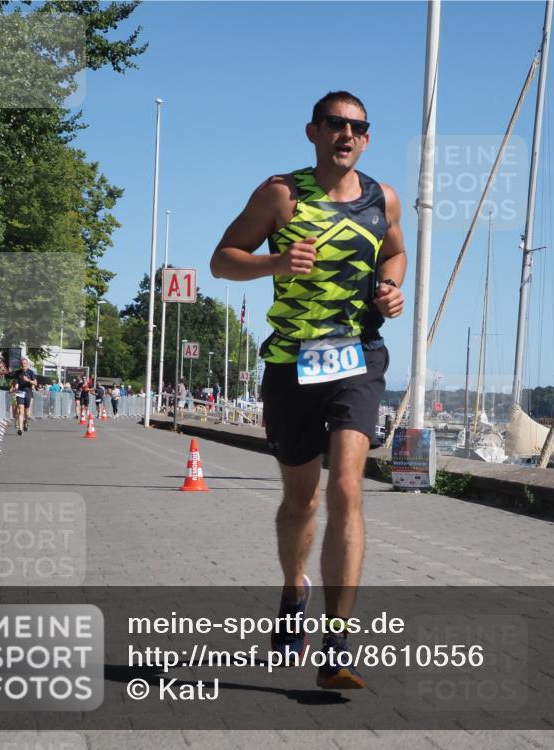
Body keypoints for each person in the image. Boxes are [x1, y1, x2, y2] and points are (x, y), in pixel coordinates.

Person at [210, 91, 406, 690]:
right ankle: (294, 592)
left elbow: (394, 253)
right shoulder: (282, 195)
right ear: (313, 132)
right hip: (293, 364)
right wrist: (274, 264)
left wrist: (391, 290)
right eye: (335, 124)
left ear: (366, 139)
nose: (346, 134)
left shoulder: (384, 199)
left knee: (348, 487)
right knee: (303, 502)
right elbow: (222, 260)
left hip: (358, 358)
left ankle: (337, 643)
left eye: (358, 127)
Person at [13, 357, 37, 435]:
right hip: (20, 392)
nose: (23, 365)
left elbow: (35, 383)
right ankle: (20, 429)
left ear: (27, 364)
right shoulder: (18, 373)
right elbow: (16, 382)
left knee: (27, 413)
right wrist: (16, 386)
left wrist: (28, 380)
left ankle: (26, 422)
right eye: (22, 363)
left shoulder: (31, 372)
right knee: (20, 410)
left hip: (28, 393)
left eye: (25, 363)